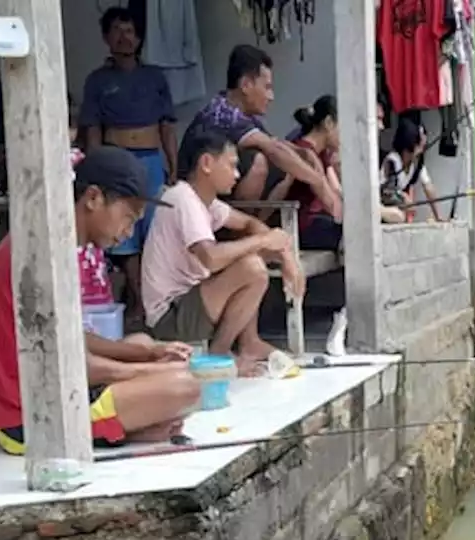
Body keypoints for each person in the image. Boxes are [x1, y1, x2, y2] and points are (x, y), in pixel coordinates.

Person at [0, 147, 199, 454]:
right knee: (183, 385)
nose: (127, 232)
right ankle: (125, 428)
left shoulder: (57, 242)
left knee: (143, 342)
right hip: (33, 420)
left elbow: (70, 340)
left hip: (47, 392)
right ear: (93, 198)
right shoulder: (46, 256)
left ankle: (129, 426)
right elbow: (65, 363)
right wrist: (150, 370)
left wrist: (147, 353)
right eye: (127, 218)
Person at [141, 130, 304, 363]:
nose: (237, 175)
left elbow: (249, 223)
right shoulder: (183, 199)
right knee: (251, 267)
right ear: (207, 163)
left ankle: (249, 343)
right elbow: (211, 258)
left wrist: (286, 256)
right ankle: (219, 355)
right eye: (231, 165)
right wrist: (263, 241)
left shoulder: (206, 202)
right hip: (171, 316)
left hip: (191, 303)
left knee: (253, 256)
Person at [80, 7, 177, 322]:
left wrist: (173, 166)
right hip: (116, 161)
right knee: (125, 237)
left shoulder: (154, 77)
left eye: (130, 31)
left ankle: (156, 301)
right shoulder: (97, 81)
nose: (125, 38)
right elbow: (92, 128)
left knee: (153, 232)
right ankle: (138, 300)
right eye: (117, 31)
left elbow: (167, 126)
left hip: (151, 160)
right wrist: (94, 164)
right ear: (106, 38)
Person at [182, 45, 341, 221]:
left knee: (289, 163)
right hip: (195, 200)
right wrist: (317, 181)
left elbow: (278, 144)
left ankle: (254, 226)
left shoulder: (245, 116)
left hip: (216, 199)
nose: (271, 96)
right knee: (260, 160)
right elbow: (274, 149)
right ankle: (243, 233)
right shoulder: (226, 115)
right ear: (246, 85)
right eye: (267, 87)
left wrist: (307, 155)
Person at [287, 95, 343, 251]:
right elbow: (331, 202)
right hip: (301, 227)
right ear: (329, 123)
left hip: (316, 221)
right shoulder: (304, 153)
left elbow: (336, 190)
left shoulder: (321, 153)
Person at [381, 118, 443, 223]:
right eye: (419, 145)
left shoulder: (416, 163)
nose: (422, 149)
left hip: (394, 208)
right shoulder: (392, 161)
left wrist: (438, 216)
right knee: (398, 216)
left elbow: (428, 187)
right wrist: (403, 197)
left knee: (400, 216)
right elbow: (385, 192)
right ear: (408, 146)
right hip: (380, 204)